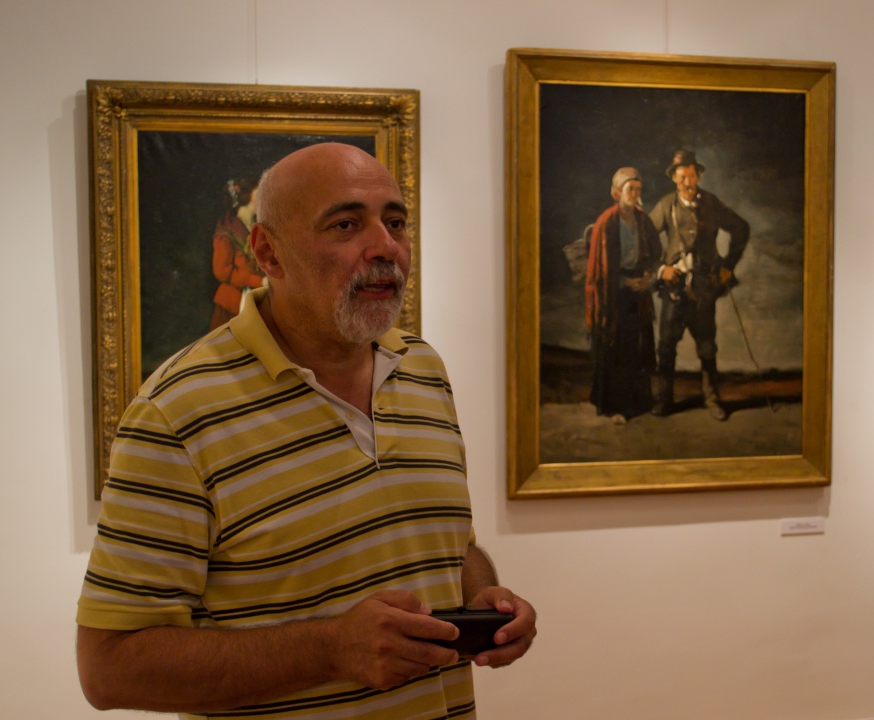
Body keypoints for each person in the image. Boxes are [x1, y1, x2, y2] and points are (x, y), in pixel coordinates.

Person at [76, 143, 536, 719]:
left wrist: (482, 599)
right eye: (346, 225)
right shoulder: (176, 411)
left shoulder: (423, 368)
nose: (385, 247)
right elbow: (108, 669)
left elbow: (452, 545)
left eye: (395, 223)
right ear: (269, 252)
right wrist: (331, 650)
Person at [647, 149, 750, 419]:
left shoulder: (712, 204)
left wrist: (728, 265)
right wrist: (661, 269)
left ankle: (712, 399)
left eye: (692, 176)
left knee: (707, 346)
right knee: (666, 346)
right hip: (674, 289)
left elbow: (741, 228)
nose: (688, 183)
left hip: (705, 288)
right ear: (674, 178)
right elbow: (643, 239)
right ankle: (664, 400)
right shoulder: (666, 205)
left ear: (699, 176)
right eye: (682, 178)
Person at [584, 167, 661, 422]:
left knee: (637, 346)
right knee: (616, 347)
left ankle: (638, 401)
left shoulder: (643, 220)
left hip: (638, 290)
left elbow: (655, 252)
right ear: (617, 192)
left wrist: (647, 277)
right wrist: (625, 282)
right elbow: (600, 269)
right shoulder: (607, 221)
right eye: (630, 189)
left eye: (638, 189)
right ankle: (613, 406)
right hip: (613, 294)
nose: (635, 193)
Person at [210, 177, 266, 331]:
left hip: (259, 299)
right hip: (234, 304)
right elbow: (222, 271)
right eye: (258, 195)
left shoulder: (257, 227)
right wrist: (258, 281)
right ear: (246, 198)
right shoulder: (226, 231)